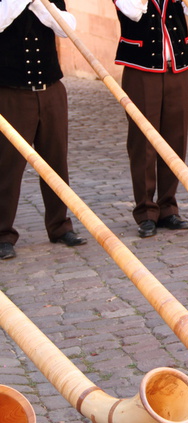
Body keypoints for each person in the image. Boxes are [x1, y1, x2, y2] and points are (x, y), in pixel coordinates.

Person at [0, 0, 87, 261]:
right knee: (8, 166)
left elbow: (66, 28)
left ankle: (60, 226)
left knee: (56, 161)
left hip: (51, 90)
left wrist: (40, 5)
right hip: (11, 93)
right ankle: (3, 234)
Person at [113, 0, 188, 238]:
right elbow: (133, 12)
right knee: (143, 142)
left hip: (178, 66)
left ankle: (168, 207)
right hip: (141, 69)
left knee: (176, 139)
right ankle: (145, 211)